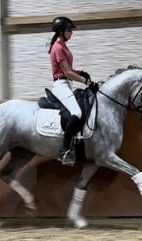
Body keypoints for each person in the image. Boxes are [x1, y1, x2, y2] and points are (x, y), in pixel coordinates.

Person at [48, 16, 91, 166]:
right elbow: (66, 72)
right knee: (77, 113)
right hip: (61, 85)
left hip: (66, 84)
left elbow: (70, 70)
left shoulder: (63, 46)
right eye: (69, 30)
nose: (71, 32)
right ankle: (64, 150)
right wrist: (87, 82)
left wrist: (81, 73)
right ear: (61, 31)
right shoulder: (58, 48)